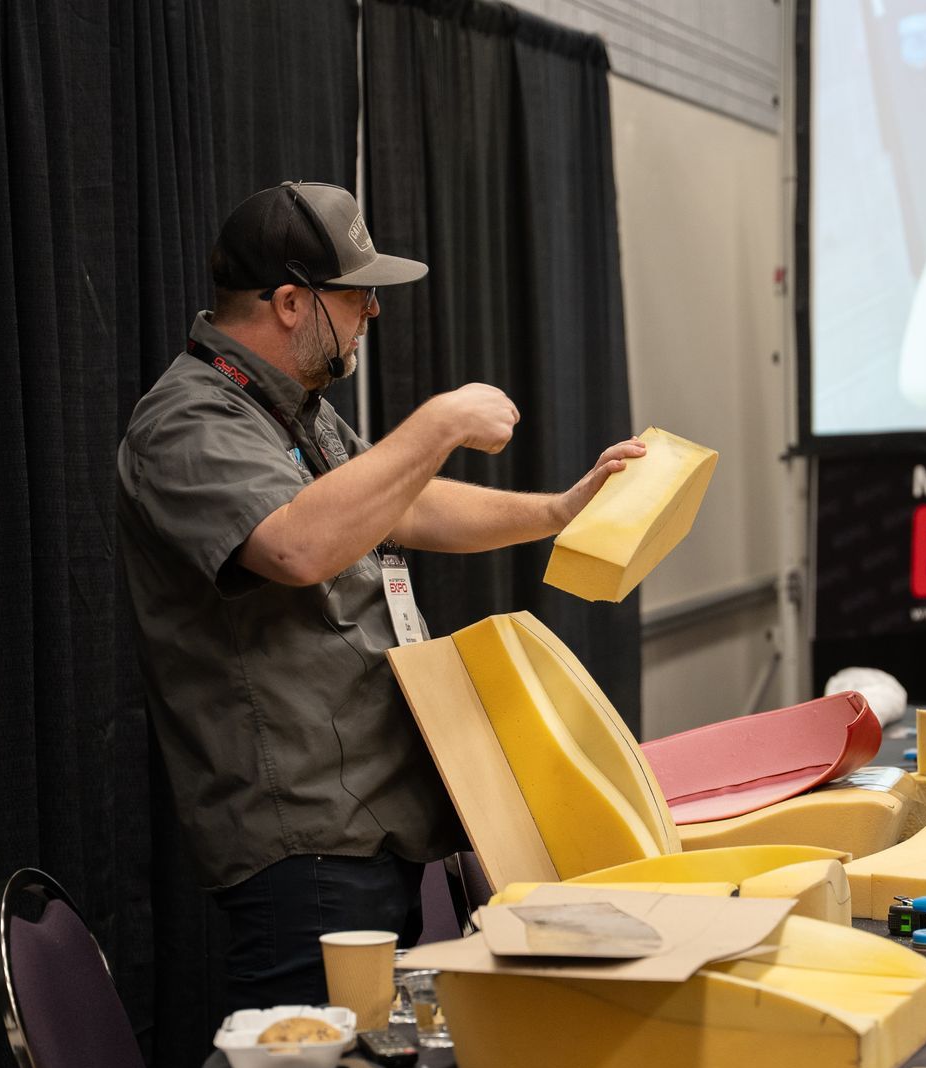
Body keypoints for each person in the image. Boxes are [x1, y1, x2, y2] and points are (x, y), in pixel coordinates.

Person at [117, 180, 642, 1011]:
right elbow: (296, 544)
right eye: (356, 293)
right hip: (303, 840)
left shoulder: (297, 411)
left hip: (373, 818)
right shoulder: (186, 422)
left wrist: (557, 510)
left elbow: (407, 502)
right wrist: (436, 423)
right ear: (291, 301)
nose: (372, 310)